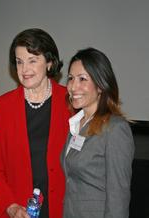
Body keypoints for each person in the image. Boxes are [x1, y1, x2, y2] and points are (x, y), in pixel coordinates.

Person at [0, 28, 70, 218]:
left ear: (49, 62)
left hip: (63, 209)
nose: (24, 70)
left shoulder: (70, 102)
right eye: (19, 62)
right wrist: (10, 205)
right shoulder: (3, 106)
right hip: (19, 211)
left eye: (32, 60)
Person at [61, 47, 135, 218]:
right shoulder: (75, 125)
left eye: (82, 79)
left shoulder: (116, 129)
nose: (73, 86)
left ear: (100, 85)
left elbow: (118, 199)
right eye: (71, 78)